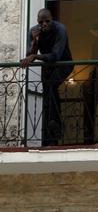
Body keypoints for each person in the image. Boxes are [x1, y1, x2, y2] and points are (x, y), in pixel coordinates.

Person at [21, 8, 73, 146]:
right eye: (41, 22)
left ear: (52, 19)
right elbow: (29, 53)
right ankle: (50, 132)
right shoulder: (34, 30)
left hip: (64, 63)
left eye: (47, 21)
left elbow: (56, 55)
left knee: (51, 87)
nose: (44, 24)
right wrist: (35, 41)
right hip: (48, 66)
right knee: (48, 96)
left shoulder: (60, 29)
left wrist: (35, 56)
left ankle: (54, 129)